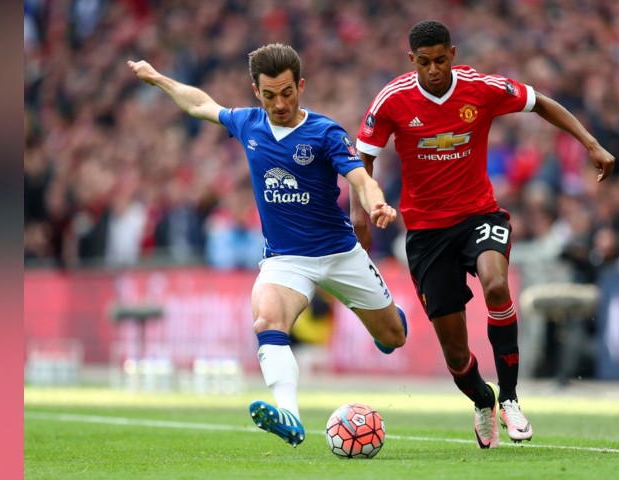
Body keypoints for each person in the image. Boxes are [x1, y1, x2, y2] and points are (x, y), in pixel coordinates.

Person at [127, 43, 408, 447]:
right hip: (285, 260)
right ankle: (289, 415)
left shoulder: (325, 132)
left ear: (301, 86)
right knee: (266, 321)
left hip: (339, 253)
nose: (280, 103)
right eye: (270, 95)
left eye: (288, 93)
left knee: (394, 337)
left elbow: (359, 178)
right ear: (256, 91)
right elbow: (200, 105)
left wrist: (376, 202)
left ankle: (390, 319)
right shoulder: (248, 124)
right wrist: (157, 79)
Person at [351, 20, 615, 449]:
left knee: (496, 284)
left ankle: (510, 397)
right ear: (411, 61)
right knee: (456, 353)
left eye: (441, 59)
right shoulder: (392, 99)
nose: (434, 69)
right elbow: (360, 161)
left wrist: (590, 144)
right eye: (424, 62)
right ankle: (483, 398)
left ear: (453, 54)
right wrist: (360, 217)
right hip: (426, 233)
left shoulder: (482, 88)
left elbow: (541, 102)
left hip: (479, 215)